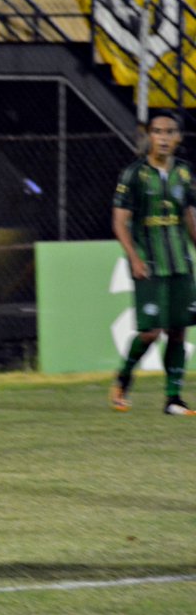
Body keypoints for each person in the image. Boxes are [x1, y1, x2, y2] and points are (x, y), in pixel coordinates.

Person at [110, 109, 196, 416]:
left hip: (180, 264)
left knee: (179, 329)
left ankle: (173, 399)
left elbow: (189, 216)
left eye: (169, 132)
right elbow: (119, 222)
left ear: (178, 138)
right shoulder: (134, 174)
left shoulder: (184, 173)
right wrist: (133, 257)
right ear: (149, 136)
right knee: (151, 331)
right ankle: (123, 379)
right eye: (157, 132)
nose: (163, 138)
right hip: (149, 263)